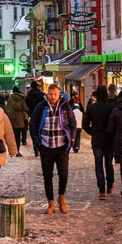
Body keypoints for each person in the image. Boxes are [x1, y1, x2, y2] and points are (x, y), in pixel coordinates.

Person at [29, 84, 76, 214]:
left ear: (59, 94)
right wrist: (37, 143)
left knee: (63, 173)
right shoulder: (41, 107)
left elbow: (73, 123)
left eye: (55, 94)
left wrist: (71, 140)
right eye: (51, 94)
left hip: (61, 146)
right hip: (46, 146)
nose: (53, 96)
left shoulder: (65, 106)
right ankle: (50, 203)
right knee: (47, 175)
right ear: (47, 94)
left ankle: (61, 197)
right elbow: (33, 124)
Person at [83, 85, 115, 198]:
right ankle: (110, 185)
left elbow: (85, 125)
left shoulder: (92, 108)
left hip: (97, 139)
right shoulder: (111, 107)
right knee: (108, 163)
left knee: (98, 164)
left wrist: (93, 132)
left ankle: (101, 190)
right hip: (109, 139)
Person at [5, 86, 29, 157]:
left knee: (12, 136)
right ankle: (17, 151)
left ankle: (12, 151)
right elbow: (25, 108)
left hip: (12, 119)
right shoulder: (22, 99)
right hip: (20, 119)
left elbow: (7, 108)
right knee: (18, 136)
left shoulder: (10, 99)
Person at [25, 81, 45, 157]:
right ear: (37, 86)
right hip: (41, 114)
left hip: (32, 115)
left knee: (34, 131)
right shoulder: (42, 95)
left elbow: (27, 105)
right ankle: (41, 146)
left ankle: (35, 148)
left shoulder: (29, 95)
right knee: (41, 130)